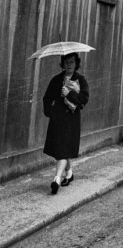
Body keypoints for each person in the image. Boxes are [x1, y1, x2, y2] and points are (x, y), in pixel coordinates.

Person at [43, 53, 89, 194]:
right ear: (62, 64)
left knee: (62, 149)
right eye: (66, 62)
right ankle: (69, 173)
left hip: (71, 120)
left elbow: (84, 99)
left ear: (76, 64)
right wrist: (50, 112)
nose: (69, 65)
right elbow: (47, 98)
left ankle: (56, 179)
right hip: (58, 120)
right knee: (61, 150)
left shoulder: (80, 80)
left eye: (72, 62)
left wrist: (69, 94)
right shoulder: (56, 80)